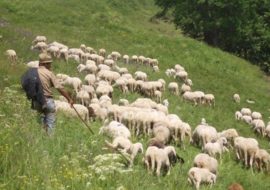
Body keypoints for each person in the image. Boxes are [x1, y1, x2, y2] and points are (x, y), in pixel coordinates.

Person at [36, 53, 73, 135]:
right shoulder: (49, 73)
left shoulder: (33, 72)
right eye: (49, 63)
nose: (50, 65)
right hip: (47, 100)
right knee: (50, 124)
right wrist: (69, 99)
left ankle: (41, 140)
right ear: (44, 63)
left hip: (37, 101)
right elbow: (59, 88)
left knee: (40, 123)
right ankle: (49, 142)